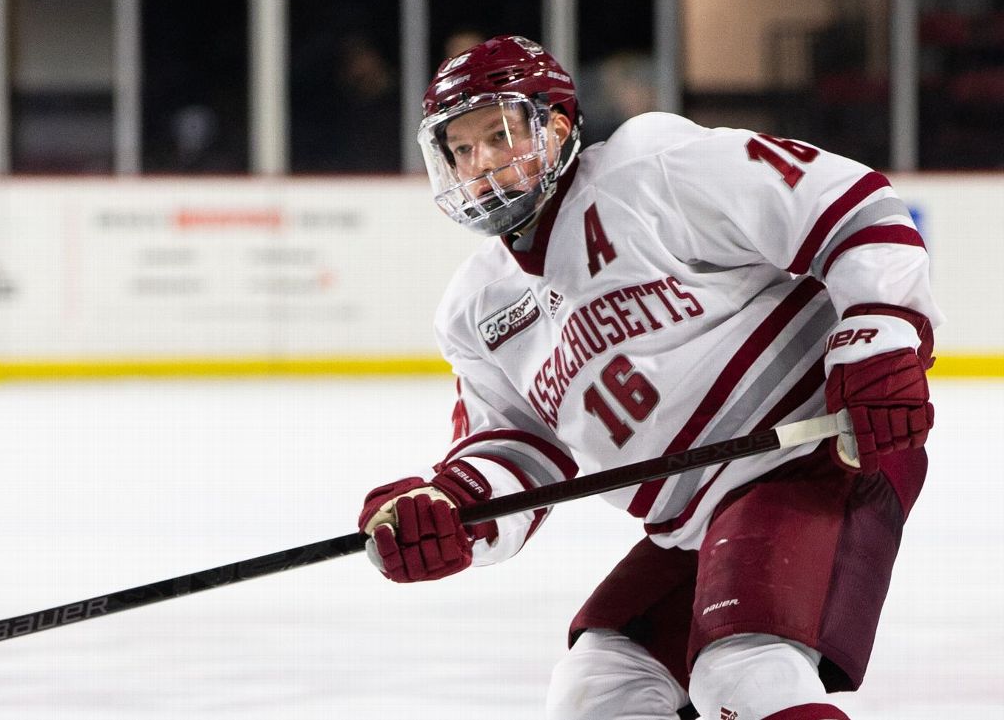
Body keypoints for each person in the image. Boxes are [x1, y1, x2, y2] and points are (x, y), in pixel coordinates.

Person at [357, 35, 938, 720]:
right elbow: (515, 449)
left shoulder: (650, 167)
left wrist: (878, 339)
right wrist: (447, 510)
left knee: (746, 671)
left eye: (500, 135)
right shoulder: (474, 308)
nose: (481, 164)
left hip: (812, 456)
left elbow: (848, 205)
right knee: (598, 691)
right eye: (462, 149)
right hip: (696, 524)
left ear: (559, 127)